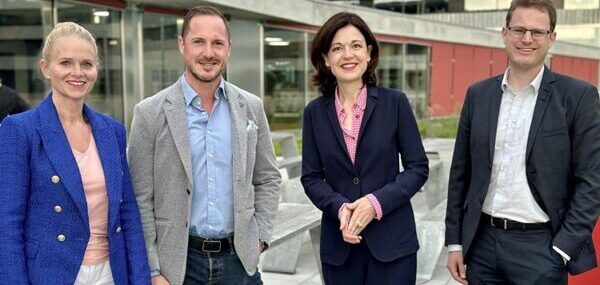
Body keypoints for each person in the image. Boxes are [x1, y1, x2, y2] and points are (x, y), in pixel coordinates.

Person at [445, 0, 600, 284]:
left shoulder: (578, 97)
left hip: (541, 248)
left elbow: (592, 180)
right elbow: (460, 174)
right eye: (519, 30)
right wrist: (455, 242)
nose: (527, 39)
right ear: (504, 33)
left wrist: (563, 248)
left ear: (552, 38)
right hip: (481, 245)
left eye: (537, 32)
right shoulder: (478, 95)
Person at [128, 5, 281, 285]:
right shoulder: (149, 113)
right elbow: (139, 199)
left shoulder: (251, 108)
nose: (208, 53)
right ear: (182, 45)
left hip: (240, 263)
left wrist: (260, 239)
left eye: (217, 43)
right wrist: (152, 270)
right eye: (199, 42)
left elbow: (268, 178)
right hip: (177, 266)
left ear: (229, 49)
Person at [0, 22, 150, 284]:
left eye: (87, 64)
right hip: (52, 274)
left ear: (96, 70)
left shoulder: (112, 131)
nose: (77, 72)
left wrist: (141, 278)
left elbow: (128, 214)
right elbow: (8, 222)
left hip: (111, 272)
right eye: (66, 63)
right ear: (46, 68)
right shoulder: (20, 130)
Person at [301, 12, 429, 285]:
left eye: (356, 46)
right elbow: (311, 177)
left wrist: (374, 203)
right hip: (339, 248)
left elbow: (417, 168)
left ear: (369, 53)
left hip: (392, 245)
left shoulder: (395, 103)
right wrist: (340, 208)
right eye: (337, 48)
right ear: (325, 59)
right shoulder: (314, 113)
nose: (348, 55)